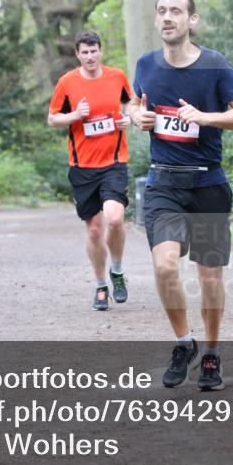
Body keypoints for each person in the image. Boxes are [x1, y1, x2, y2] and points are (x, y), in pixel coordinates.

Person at [129, 0, 233, 391]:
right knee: (165, 266)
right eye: (161, 11)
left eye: (176, 11)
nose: (168, 17)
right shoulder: (146, 64)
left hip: (207, 184)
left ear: (192, 20)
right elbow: (133, 104)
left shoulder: (214, 65)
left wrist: (204, 117)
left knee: (210, 279)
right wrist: (137, 117)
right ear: (156, 19)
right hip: (163, 182)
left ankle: (212, 354)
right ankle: (184, 343)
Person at [48, 31, 135, 311]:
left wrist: (128, 119)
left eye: (93, 51)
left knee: (115, 218)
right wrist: (75, 116)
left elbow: (130, 104)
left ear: (100, 51)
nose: (89, 56)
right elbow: (52, 118)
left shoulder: (117, 77)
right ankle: (100, 286)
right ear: (77, 54)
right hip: (82, 167)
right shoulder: (67, 82)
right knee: (95, 231)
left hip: (114, 162)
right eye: (84, 52)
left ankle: (117, 271)